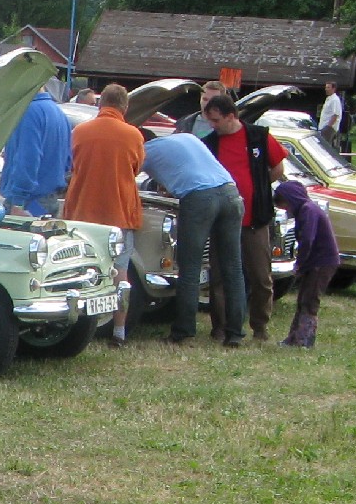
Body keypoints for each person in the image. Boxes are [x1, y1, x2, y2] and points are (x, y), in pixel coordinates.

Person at [141, 130, 247, 345]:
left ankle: (184, 331)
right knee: (233, 268)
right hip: (231, 193)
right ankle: (235, 333)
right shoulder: (187, 137)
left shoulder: (144, 151)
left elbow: (124, 175)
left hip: (199, 199)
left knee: (190, 268)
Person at [200, 91, 288, 341]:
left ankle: (260, 326)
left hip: (255, 219)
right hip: (223, 221)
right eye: (210, 120)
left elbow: (278, 167)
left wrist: (259, 186)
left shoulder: (258, 136)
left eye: (216, 120)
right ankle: (221, 326)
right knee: (219, 276)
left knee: (261, 276)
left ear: (231, 116)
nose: (213, 125)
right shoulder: (210, 144)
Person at [62, 84, 144, 344]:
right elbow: (135, 169)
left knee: (78, 269)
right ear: (124, 107)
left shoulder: (80, 131)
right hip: (118, 212)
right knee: (120, 270)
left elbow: (71, 164)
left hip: (82, 211)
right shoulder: (133, 135)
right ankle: (119, 331)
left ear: (100, 104)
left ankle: (74, 327)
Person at [274, 180, 339, 347]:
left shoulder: (308, 210)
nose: (287, 210)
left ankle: (304, 340)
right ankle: (294, 338)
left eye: (285, 205)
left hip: (322, 262)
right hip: (314, 261)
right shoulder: (306, 209)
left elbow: (308, 239)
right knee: (303, 299)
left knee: (310, 301)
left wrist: (300, 263)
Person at [0, 88, 74, 217]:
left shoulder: (28, 112)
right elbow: (67, 161)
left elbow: (27, 159)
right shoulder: (59, 113)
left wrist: (18, 202)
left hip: (28, 202)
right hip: (49, 199)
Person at [316, 81, 345, 155]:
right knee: (323, 148)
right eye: (326, 87)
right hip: (323, 127)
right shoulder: (329, 99)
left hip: (328, 129)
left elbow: (336, 115)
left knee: (325, 149)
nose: (326, 89)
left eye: (328, 87)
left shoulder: (335, 100)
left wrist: (328, 127)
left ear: (333, 89)